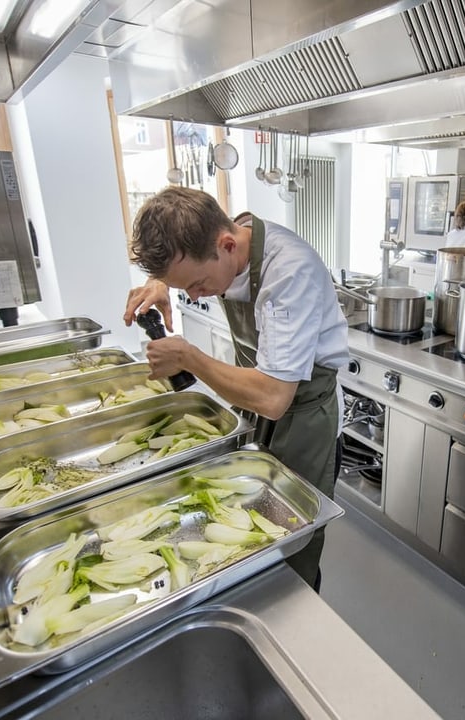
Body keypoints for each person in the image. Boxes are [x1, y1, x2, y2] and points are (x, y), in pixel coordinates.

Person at [123, 187, 349, 590]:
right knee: (248, 518)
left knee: (290, 536)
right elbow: (190, 251)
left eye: (196, 284)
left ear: (227, 246)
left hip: (301, 416)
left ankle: (297, 610)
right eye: (183, 288)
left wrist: (189, 358)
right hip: (256, 401)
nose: (192, 295)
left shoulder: (289, 273)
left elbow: (273, 397)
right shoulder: (227, 236)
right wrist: (160, 283)